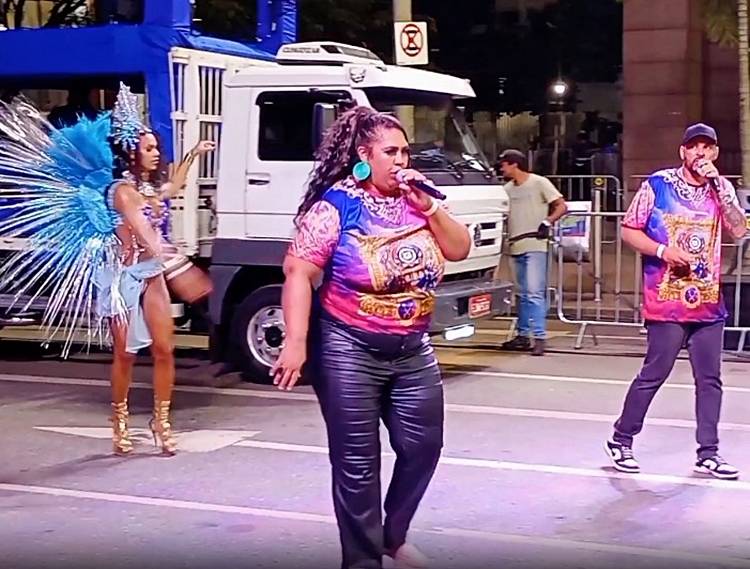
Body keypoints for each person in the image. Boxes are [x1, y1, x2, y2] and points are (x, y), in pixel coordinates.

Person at [270, 106, 472, 569]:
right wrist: (296, 342)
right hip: (348, 347)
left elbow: (458, 248)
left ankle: (391, 535)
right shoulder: (336, 206)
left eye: (405, 152)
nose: (401, 161)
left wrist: (431, 206)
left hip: (412, 348)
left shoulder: (418, 200)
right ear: (364, 155)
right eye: (390, 152)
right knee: (357, 465)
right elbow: (298, 272)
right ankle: (362, 560)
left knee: (423, 447)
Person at [0, 83, 214, 457]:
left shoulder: (148, 190)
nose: (156, 154)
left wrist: (193, 154)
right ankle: (120, 418)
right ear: (131, 152)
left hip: (152, 277)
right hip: (122, 279)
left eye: (157, 149)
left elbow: (174, 185)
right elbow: (146, 233)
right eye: (149, 149)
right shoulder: (121, 192)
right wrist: (180, 266)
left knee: (165, 350)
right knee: (126, 354)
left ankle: (161, 421)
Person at [605, 123, 747, 480]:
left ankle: (708, 453)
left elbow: (739, 230)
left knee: (710, 380)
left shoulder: (721, 188)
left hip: (708, 302)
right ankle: (621, 438)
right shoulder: (658, 184)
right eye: (694, 146)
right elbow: (629, 229)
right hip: (666, 300)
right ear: (683, 151)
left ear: (715, 153)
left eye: (707, 147)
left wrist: (721, 188)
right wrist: (662, 251)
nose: (700, 153)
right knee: (655, 373)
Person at [497, 149, 567, 355]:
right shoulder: (507, 189)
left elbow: (561, 205)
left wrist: (547, 222)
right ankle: (523, 334)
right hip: (516, 245)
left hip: (535, 244)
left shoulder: (538, 182)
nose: (501, 168)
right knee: (522, 294)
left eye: (504, 164)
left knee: (534, 292)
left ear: (514, 164)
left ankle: (539, 337)